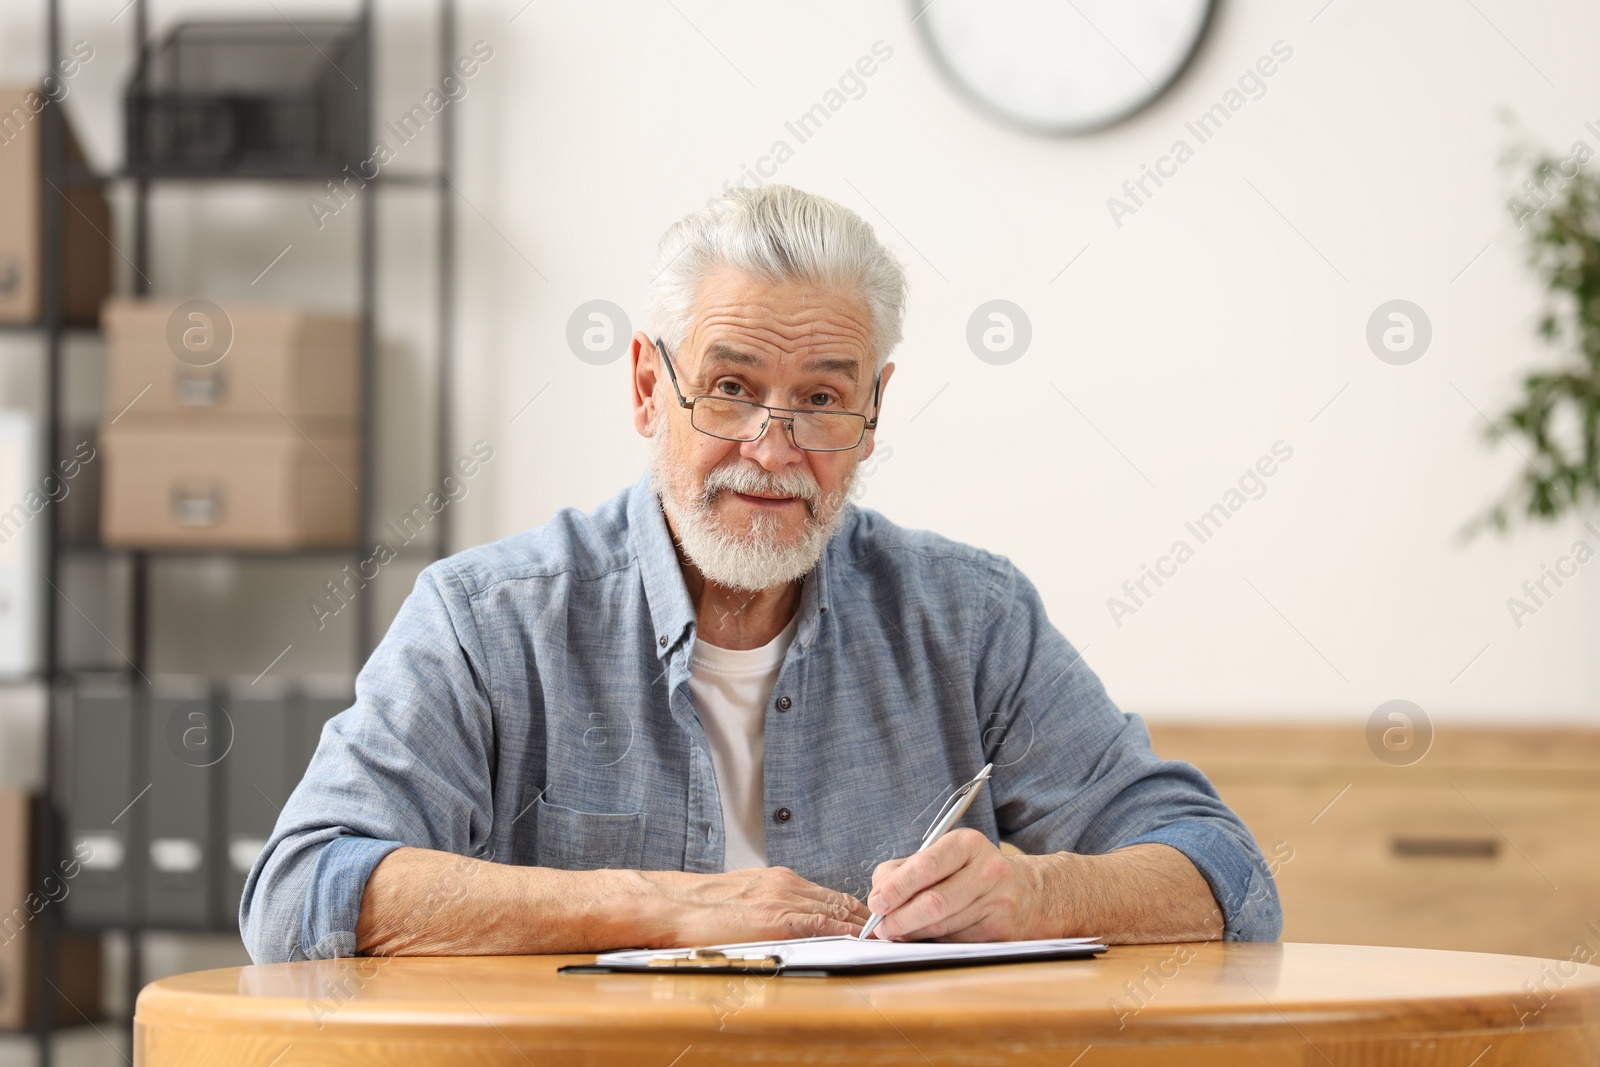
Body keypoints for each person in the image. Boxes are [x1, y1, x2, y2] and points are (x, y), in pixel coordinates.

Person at [240, 184, 1282, 963]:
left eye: (822, 399)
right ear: (649, 387)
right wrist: (663, 905)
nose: (774, 450)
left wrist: (1039, 893)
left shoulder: (972, 618)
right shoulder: (487, 619)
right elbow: (299, 894)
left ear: (872, 412)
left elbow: (1224, 874)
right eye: (731, 388)